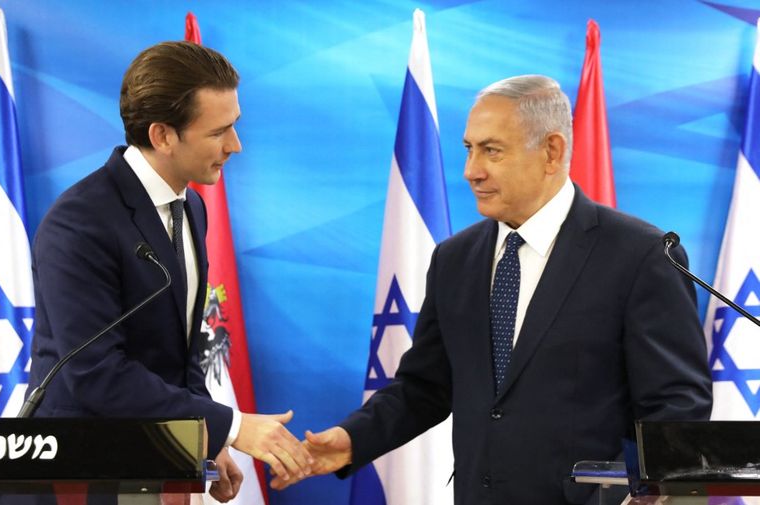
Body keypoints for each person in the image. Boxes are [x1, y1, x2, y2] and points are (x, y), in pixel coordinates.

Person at [272, 75, 713, 504]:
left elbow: (677, 405)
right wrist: (353, 439)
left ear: (551, 151)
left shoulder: (640, 255)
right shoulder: (455, 260)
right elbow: (424, 387)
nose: (471, 171)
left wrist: (622, 494)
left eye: (491, 151)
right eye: (468, 149)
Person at [23, 41, 311, 503]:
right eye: (220, 131)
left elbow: (181, 353)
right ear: (162, 135)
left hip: (149, 468)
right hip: (79, 474)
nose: (236, 146)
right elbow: (97, 374)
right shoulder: (79, 222)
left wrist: (204, 442)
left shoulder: (191, 206)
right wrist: (232, 426)